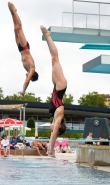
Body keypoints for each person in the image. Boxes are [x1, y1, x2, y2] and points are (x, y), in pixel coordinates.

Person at [40, 26, 67, 157]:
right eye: (55, 129)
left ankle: (47, 37)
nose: (51, 129)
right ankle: (48, 36)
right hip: (60, 87)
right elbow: (55, 132)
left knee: (53, 60)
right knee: (55, 58)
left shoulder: (55, 117)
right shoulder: (59, 117)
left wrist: (51, 151)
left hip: (56, 87)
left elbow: (54, 132)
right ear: (59, 127)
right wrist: (51, 149)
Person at [8, 2, 38, 96]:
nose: (27, 77)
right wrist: (23, 91)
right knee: (19, 28)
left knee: (15, 29)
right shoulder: (32, 69)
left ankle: (12, 13)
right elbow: (27, 82)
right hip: (25, 47)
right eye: (29, 77)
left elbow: (26, 80)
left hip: (20, 49)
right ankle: (15, 11)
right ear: (31, 76)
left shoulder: (28, 69)